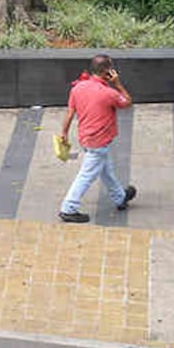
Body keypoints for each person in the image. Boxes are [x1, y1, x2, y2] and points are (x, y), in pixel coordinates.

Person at [58, 54, 136, 223]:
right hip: (99, 142)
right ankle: (68, 208)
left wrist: (64, 133)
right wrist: (117, 84)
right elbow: (128, 102)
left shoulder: (77, 88)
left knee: (106, 170)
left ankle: (120, 197)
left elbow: (70, 113)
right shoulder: (109, 93)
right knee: (86, 175)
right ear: (108, 71)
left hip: (85, 138)